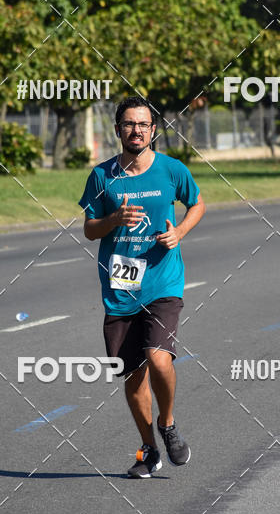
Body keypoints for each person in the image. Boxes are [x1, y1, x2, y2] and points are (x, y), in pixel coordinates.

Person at [79, 96, 206, 478]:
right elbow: (89, 229)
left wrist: (179, 232)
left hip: (162, 281)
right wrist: (114, 219)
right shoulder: (102, 177)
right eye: (129, 124)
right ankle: (149, 451)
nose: (137, 130)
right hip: (120, 287)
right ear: (118, 130)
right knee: (133, 377)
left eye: (143, 125)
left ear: (153, 131)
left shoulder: (171, 170)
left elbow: (197, 204)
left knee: (158, 357)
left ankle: (167, 425)